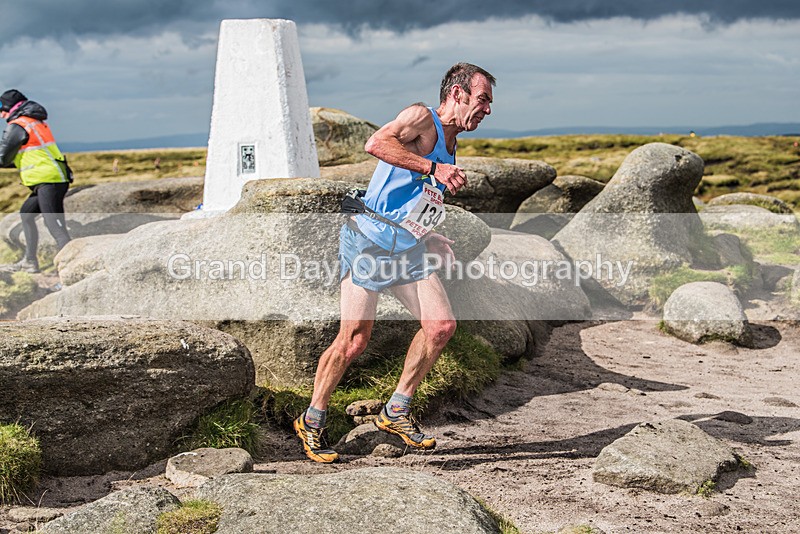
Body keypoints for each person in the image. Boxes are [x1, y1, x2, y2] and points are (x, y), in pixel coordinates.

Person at [294, 63, 495, 463]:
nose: (487, 109)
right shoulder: (421, 118)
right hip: (368, 242)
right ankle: (312, 420)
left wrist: (427, 232)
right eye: (483, 99)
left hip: (407, 249)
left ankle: (396, 410)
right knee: (354, 340)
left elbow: (412, 199)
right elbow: (376, 144)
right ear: (457, 94)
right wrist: (433, 167)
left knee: (440, 326)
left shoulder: (452, 143)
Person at [0, 89, 72, 273]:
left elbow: (3, 157)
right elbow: (20, 156)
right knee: (27, 214)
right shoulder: (33, 122)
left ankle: (70, 268)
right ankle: (29, 262)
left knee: (54, 226)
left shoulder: (18, 125)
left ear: (9, 107)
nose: (1, 114)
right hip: (49, 178)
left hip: (49, 180)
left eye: (1, 108)